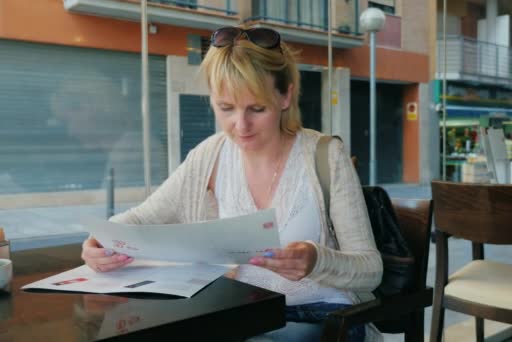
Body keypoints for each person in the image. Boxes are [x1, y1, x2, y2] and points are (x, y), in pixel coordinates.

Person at [81, 26, 383, 341]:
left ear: (285, 96)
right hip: (239, 315)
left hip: (320, 316)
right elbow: (144, 217)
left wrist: (317, 260)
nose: (240, 126)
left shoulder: (325, 156)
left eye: (257, 108)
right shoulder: (209, 155)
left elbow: (371, 269)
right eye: (226, 108)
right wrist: (101, 241)